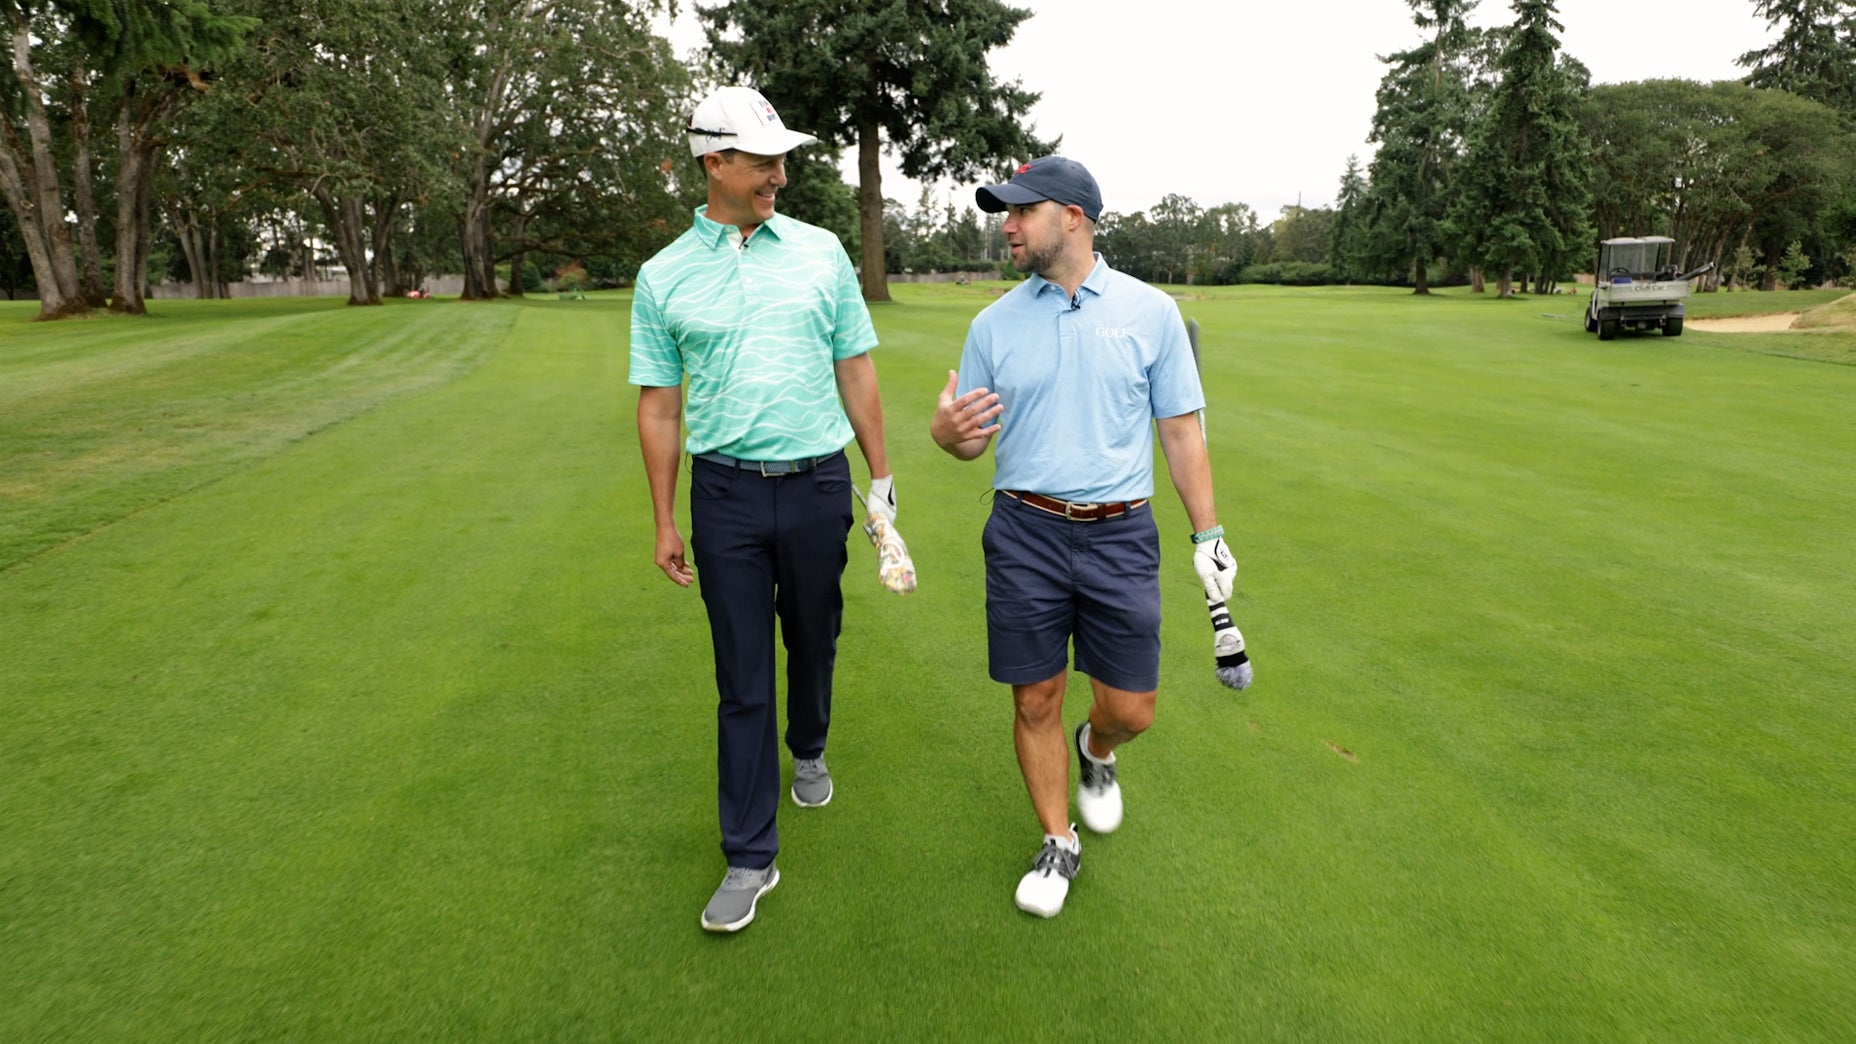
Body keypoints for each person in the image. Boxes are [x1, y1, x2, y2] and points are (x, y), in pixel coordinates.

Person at [929, 156, 1239, 918]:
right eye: (1005, 214)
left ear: (1072, 217)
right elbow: (971, 440)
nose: (1007, 227)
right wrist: (947, 435)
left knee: (1131, 709)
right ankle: (1056, 839)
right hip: (1024, 531)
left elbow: (1181, 432)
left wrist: (1208, 533)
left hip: (1119, 534)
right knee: (1035, 696)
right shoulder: (992, 324)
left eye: (1021, 212)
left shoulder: (1151, 313)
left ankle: (1095, 749)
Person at [630, 86, 895, 933]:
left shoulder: (821, 253)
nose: (779, 174)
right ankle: (749, 853)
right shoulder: (663, 275)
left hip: (817, 485)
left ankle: (808, 745)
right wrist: (665, 519)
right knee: (741, 676)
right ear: (715, 163)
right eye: (763, 161)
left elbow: (854, 366)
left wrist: (881, 480)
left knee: (814, 636)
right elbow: (659, 406)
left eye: (783, 160)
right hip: (726, 495)